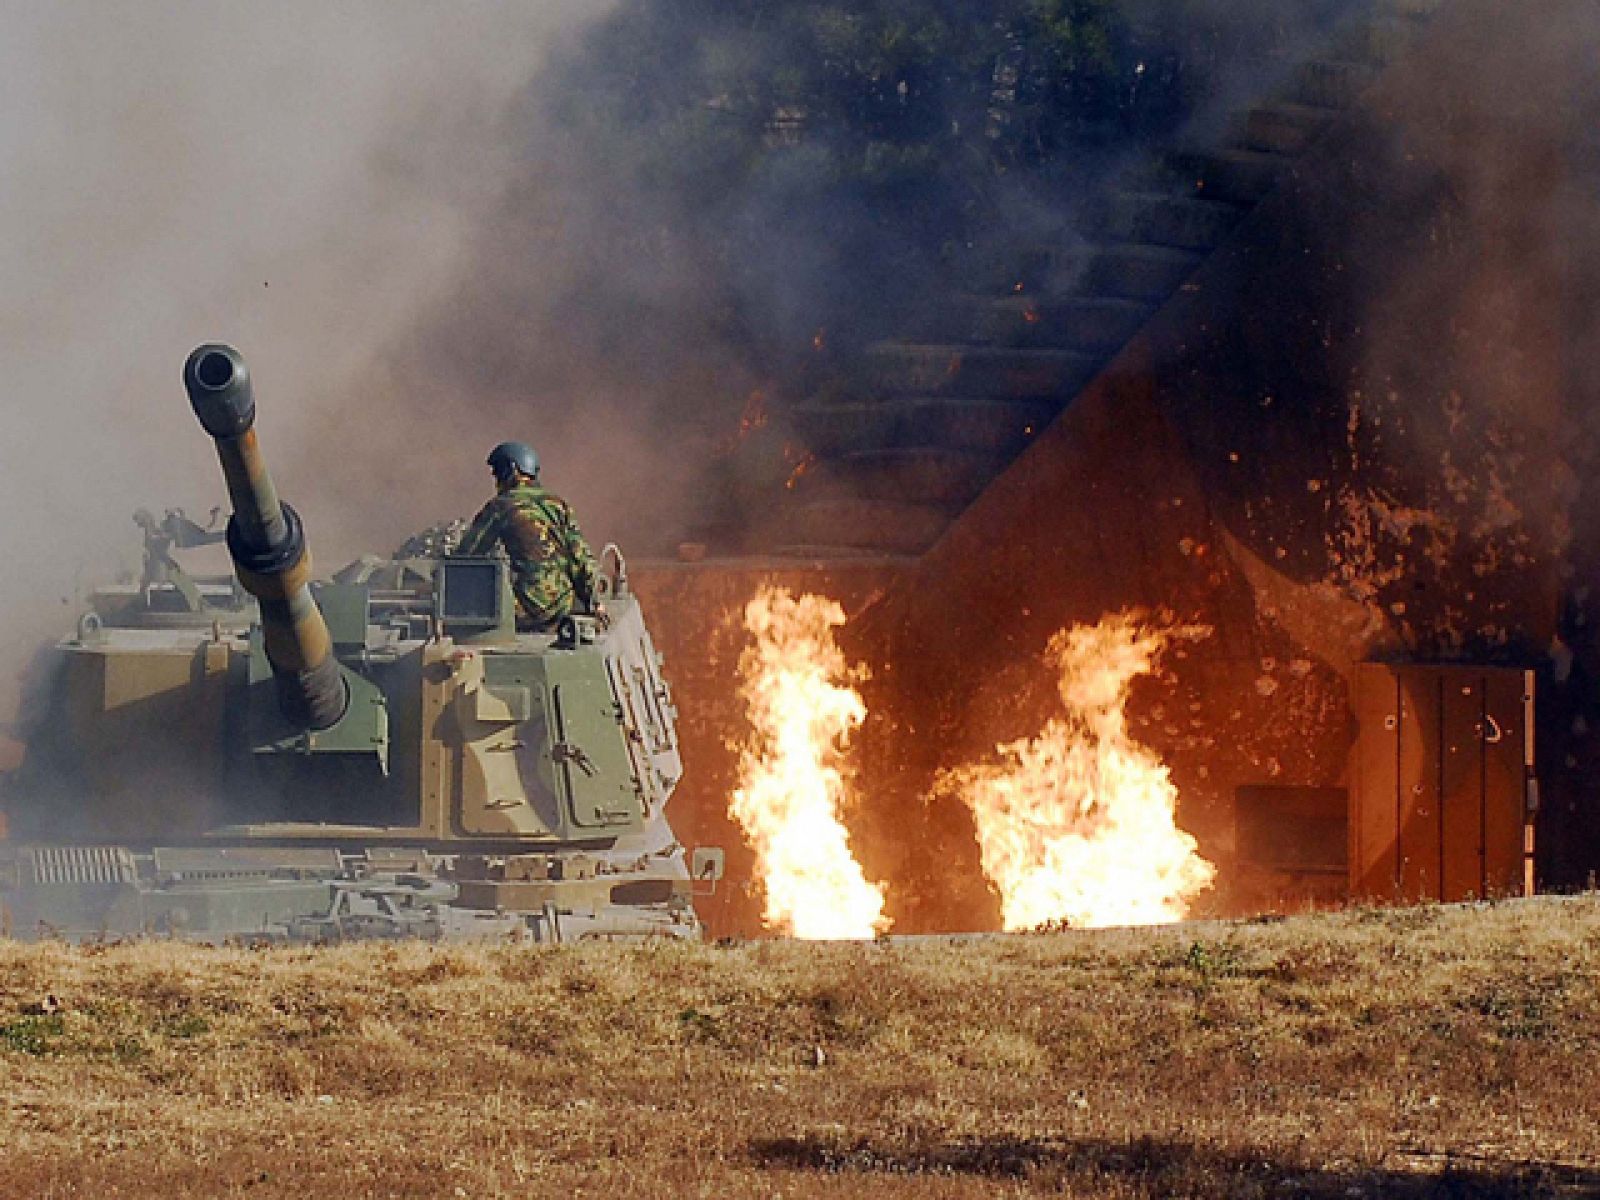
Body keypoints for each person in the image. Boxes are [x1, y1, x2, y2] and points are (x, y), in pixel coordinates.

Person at [456, 441, 600, 632]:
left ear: (512, 469)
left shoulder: (501, 506)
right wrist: (595, 602)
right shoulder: (558, 504)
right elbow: (580, 557)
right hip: (563, 604)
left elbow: (466, 556)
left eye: (498, 472)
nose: (496, 479)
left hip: (527, 607)